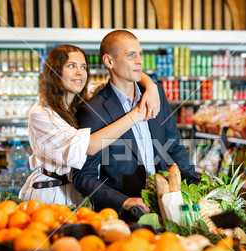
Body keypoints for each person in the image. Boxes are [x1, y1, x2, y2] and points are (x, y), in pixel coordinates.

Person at [73, 30, 199, 221]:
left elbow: (173, 147)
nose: (139, 61)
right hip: (125, 216)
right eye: (131, 55)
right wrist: (123, 201)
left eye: (140, 54)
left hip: (167, 209)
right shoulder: (93, 110)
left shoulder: (155, 96)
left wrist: (195, 185)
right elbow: (83, 176)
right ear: (109, 61)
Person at [19, 44, 160, 206]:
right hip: (49, 192)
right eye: (71, 66)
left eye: (83, 67)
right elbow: (89, 146)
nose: (80, 72)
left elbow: (123, 74)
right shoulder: (41, 113)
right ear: (55, 71)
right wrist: (138, 114)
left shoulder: (85, 99)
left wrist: (151, 85)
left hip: (80, 191)